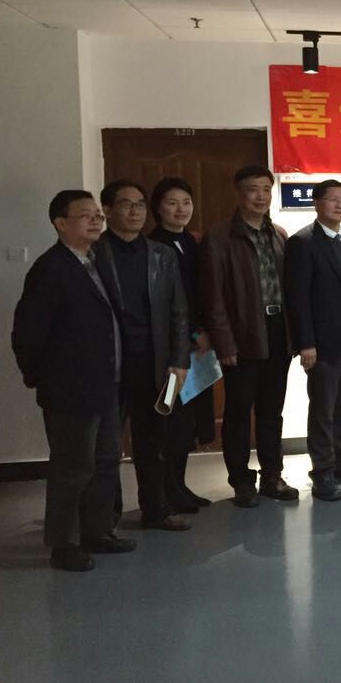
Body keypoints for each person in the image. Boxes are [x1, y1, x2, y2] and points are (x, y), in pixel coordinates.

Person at [12, 191, 133, 571]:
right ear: (60, 223)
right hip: (70, 389)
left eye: (98, 215)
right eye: (86, 216)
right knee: (72, 468)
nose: (96, 221)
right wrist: (42, 380)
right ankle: (63, 544)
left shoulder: (94, 261)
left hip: (106, 383)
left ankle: (97, 531)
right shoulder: (51, 269)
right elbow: (28, 334)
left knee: (105, 461)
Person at [95, 180, 191, 530]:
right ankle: (107, 516)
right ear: (107, 210)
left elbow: (179, 311)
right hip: (109, 366)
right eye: (126, 204)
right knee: (106, 447)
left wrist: (180, 360)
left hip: (155, 364)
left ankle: (156, 509)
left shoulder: (161, 255)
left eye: (140, 204)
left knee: (154, 443)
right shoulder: (93, 253)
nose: (135, 211)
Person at [200, 165, 299, 507]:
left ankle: (273, 475)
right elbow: (212, 296)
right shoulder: (219, 237)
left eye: (266, 190)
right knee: (239, 412)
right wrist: (224, 342)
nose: (260, 196)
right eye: (253, 190)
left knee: (272, 411)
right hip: (241, 336)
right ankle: (242, 481)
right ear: (239, 193)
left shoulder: (279, 234)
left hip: (277, 332)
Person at [285, 179, 341, 501]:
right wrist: (306, 343)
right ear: (317, 203)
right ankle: (322, 471)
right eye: (332, 199)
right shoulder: (302, 242)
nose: (339, 205)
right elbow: (298, 298)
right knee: (323, 410)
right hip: (322, 344)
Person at [149, 177, 215, 512]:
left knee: (188, 422)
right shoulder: (154, 247)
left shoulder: (193, 242)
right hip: (174, 349)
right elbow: (169, 303)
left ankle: (179, 485)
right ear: (158, 207)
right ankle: (166, 491)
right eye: (172, 203)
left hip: (199, 348)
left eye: (186, 202)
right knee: (171, 422)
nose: (181, 209)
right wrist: (192, 333)